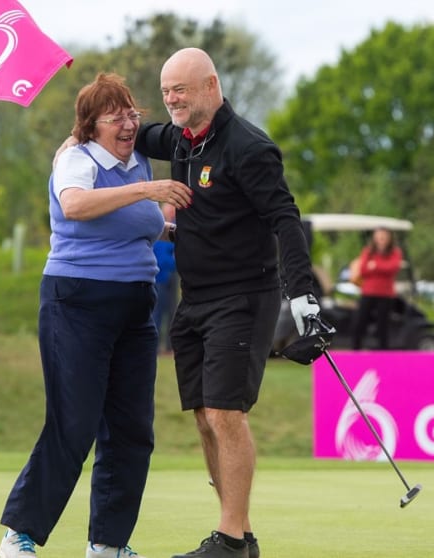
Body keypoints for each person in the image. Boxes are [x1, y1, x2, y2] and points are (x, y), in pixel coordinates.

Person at [0, 73, 192, 558]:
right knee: (74, 423)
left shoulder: (139, 161)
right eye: (116, 117)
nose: (128, 124)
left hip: (135, 306)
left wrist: (185, 223)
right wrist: (148, 190)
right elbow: (76, 205)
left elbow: (146, 224)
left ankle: (108, 543)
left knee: (131, 430)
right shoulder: (76, 159)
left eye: (132, 114)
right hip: (76, 301)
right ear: (90, 124)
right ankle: (18, 535)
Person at [136, 48, 320, 558]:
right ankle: (236, 532)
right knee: (202, 414)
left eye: (181, 89)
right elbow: (134, 131)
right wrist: (91, 126)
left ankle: (232, 540)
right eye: (166, 90)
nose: (171, 99)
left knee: (225, 413)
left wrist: (302, 294)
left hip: (243, 297)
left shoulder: (249, 147)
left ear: (211, 86)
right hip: (194, 300)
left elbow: (286, 220)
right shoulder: (178, 137)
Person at [350, 227, 403, 350]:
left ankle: (382, 353)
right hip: (368, 293)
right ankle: (355, 350)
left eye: (384, 236)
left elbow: (393, 268)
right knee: (360, 322)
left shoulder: (395, 252)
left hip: (385, 294)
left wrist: (375, 266)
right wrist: (380, 268)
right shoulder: (368, 251)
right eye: (379, 236)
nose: (381, 238)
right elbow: (363, 270)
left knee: (383, 326)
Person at [152, 238, 178, 353]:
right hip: (160, 279)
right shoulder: (158, 232)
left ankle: (169, 345)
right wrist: (174, 262)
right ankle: (155, 346)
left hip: (171, 278)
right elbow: (162, 260)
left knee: (172, 312)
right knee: (158, 312)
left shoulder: (173, 229)